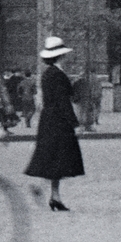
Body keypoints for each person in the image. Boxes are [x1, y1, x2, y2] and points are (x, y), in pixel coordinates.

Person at [25, 36, 85, 211]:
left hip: (49, 119)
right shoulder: (57, 75)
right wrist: (75, 123)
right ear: (60, 56)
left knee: (54, 157)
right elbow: (63, 101)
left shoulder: (48, 74)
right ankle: (44, 190)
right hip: (58, 120)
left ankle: (54, 196)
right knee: (57, 157)